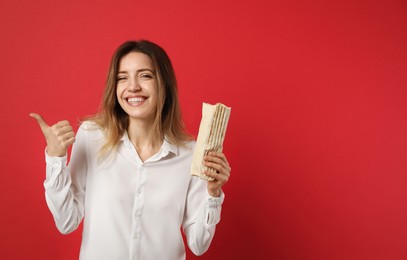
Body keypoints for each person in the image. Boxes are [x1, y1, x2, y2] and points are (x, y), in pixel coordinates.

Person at [30, 40, 231, 260]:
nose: (132, 86)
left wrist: (212, 193)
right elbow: (67, 222)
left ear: (163, 84)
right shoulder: (91, 137)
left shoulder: (190, 154)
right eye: (122, 77)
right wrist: (55, 158)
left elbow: (199, 244)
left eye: (145, 75)